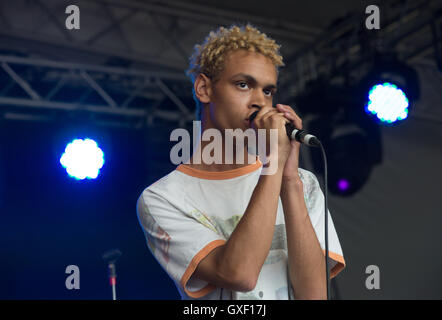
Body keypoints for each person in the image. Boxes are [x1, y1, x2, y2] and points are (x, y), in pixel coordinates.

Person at [136, 24, 345, 300]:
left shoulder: (303, 183)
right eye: (243, 85)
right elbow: (239, 275)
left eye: (268, 91)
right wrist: (273, 163)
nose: (259, 102)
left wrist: (290, 180)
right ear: (204, 88)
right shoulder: (162, 198)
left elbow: (314, 295)